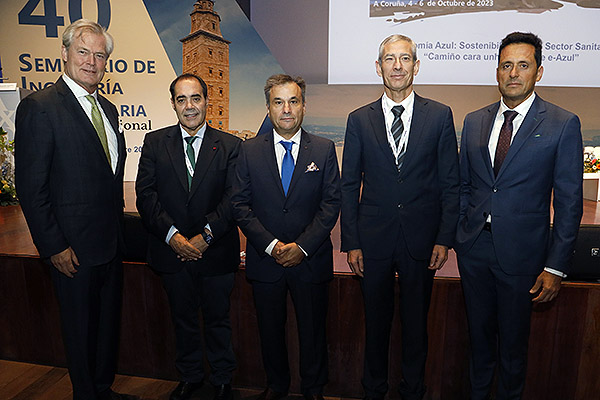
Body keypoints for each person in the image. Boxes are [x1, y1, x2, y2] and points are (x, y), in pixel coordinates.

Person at [455, 31, 583, 400]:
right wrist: (464, 232)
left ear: (538, 72)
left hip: (524, 257)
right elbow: (466, 186)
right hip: (475, 251)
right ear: (497, 71)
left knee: (513, 351)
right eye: (507, 65)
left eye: (523, 66)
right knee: (478, 345)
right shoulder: (475, 120)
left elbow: (570, 202)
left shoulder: (562, 123)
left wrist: (556, 267)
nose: (514, 73)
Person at [14, 19, 136, 400]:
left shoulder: (110, 110)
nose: (91, 61)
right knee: (80, 331)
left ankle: (103, 389)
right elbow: (31, 187)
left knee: (104, 328)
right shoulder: (41, 107)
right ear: (64, 53)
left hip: (109, 246)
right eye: (83, 52)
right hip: (71, 250)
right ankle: (86, 394)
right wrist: (53, 246)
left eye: (100, 55)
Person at [340, 34, 460, 400]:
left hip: (421, 241)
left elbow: (450, 183)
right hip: (372, 240)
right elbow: (349, 185)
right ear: (378, 67)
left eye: (404, 59)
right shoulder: (358, 119)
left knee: (415, 326)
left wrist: (443, 238)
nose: (397, 66)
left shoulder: (439, 115)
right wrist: (352, 241)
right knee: (375, 324)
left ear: (416, 66)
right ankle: (373, 390)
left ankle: (413, 391)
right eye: (389, 59)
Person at [231, 74, 340, 400]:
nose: (287, 109)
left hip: (310, 261)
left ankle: (314, 390)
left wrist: (302, 247)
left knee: (313, 332)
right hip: (267, 262)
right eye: (278, 102)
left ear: (303, 106)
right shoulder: (248, 151)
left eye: (293, 101)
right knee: (270, 332)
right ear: (268, 107)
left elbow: (331, 203)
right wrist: (271, 245)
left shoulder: (323, 149)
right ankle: (276, 387)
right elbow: (239, 204)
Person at [135, 74, 240, 400]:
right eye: (182, 99)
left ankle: (223, 379)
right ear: (173, 104)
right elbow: (145, 195)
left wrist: (205, 237)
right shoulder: (155, 142)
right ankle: (190, 376)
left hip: (216, 251)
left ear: (207, 101)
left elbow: (235, 199)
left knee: (218, 320)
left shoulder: (231, 145)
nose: (189, 106)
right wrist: (174, 237)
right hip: (172, 253)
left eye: (195, 98)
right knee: (183, 320)